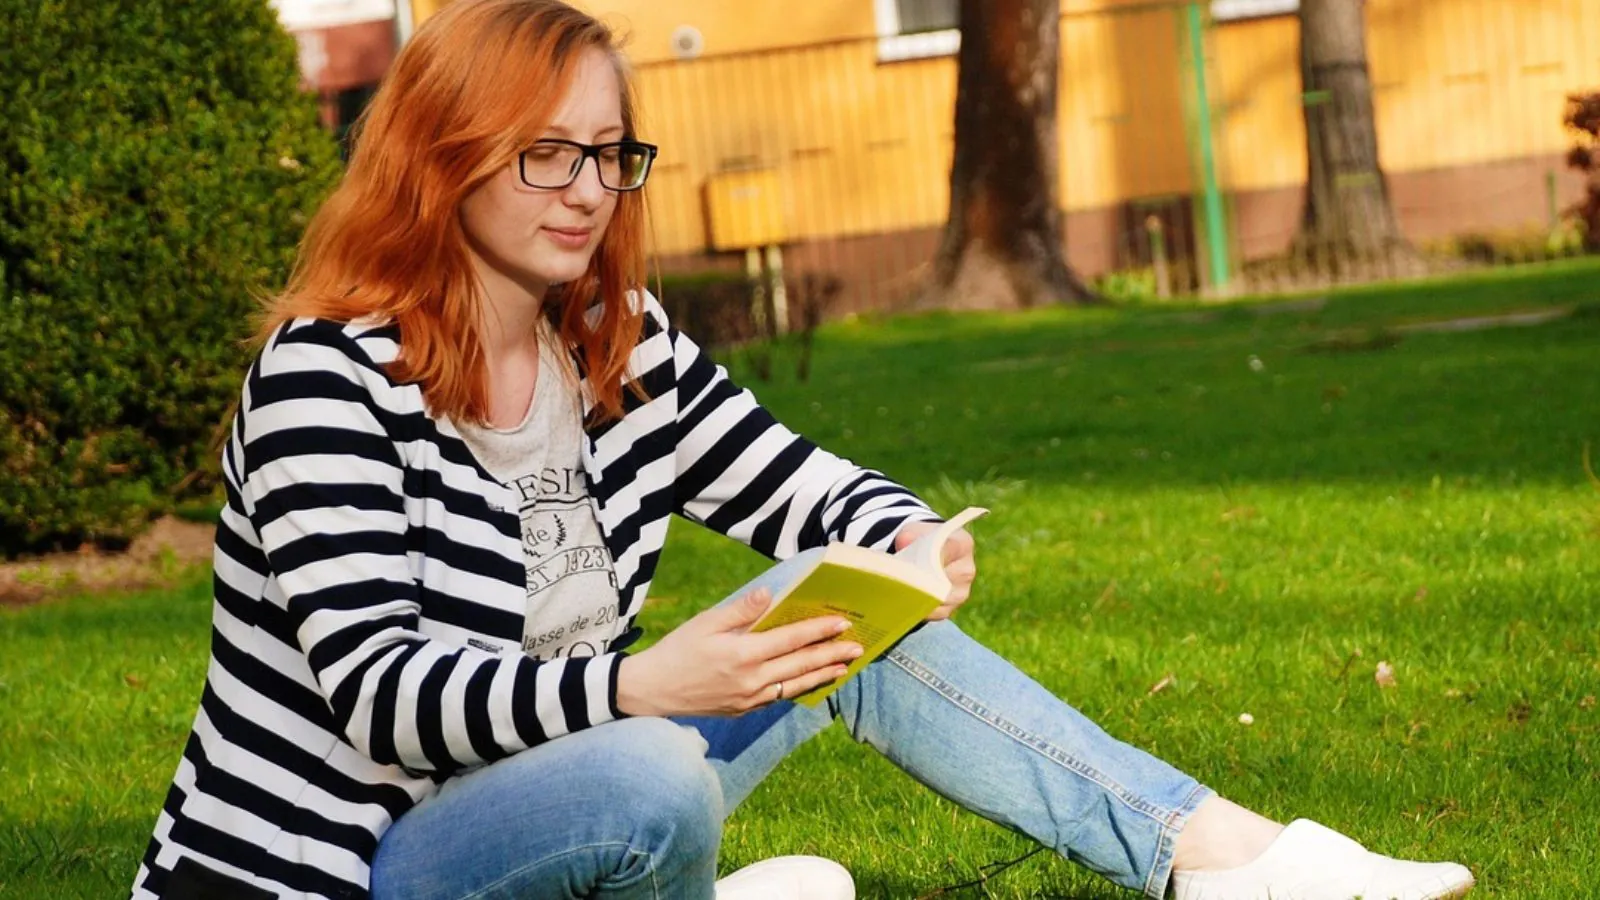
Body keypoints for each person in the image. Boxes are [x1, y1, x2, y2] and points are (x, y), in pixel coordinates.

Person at [132, 2, 1478, 898]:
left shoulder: (619, 340)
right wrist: (643, 685)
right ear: (442, 157)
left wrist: (899, 539)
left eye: (609, 155)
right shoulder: (325, 373)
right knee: (653, 764)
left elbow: (796, 481)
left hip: (561, 773)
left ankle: (1222, 861)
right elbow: (381, 690)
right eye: (546, 155)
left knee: (829, 602)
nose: (588, 191)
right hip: (352, 869)